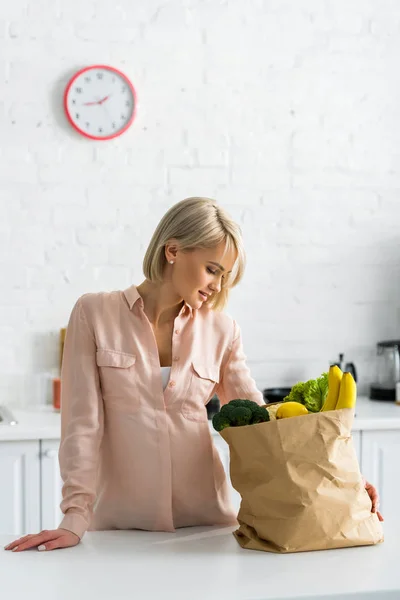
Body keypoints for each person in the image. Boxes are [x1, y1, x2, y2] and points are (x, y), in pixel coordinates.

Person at [4, 197, 383, 553]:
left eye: (225, 275)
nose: (218, 285)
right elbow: (82, 425)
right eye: (212, 269)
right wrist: (74, 518)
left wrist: (342, 483)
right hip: (119, 525)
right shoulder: (94, 313)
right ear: (172, 251)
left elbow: (263, 424)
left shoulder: (222, 329)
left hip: (207, 522)